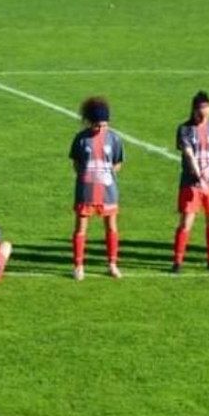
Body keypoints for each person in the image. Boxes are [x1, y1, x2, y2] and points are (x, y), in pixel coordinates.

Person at [69, 96, 124, 281]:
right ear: (90, 122)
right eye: (97, 125)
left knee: (111, 226)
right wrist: (89, 175)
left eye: (104, 125)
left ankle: (112, 264)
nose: (101, 129)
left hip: (108, 191)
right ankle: (78, 266)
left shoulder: (114, 139)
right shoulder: (81, 139)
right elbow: (76, 164)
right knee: (81, 227)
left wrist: (105, 175)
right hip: (86, 190)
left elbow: (117, 164)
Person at [172, 91, 209, 272]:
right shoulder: (185, 129)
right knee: (187, 220)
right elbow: (189, 155)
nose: (204, 114)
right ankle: (178, 261)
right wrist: (199, 176)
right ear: (194, 110)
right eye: (200, 111)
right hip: (191, 182)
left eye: (207, 109)